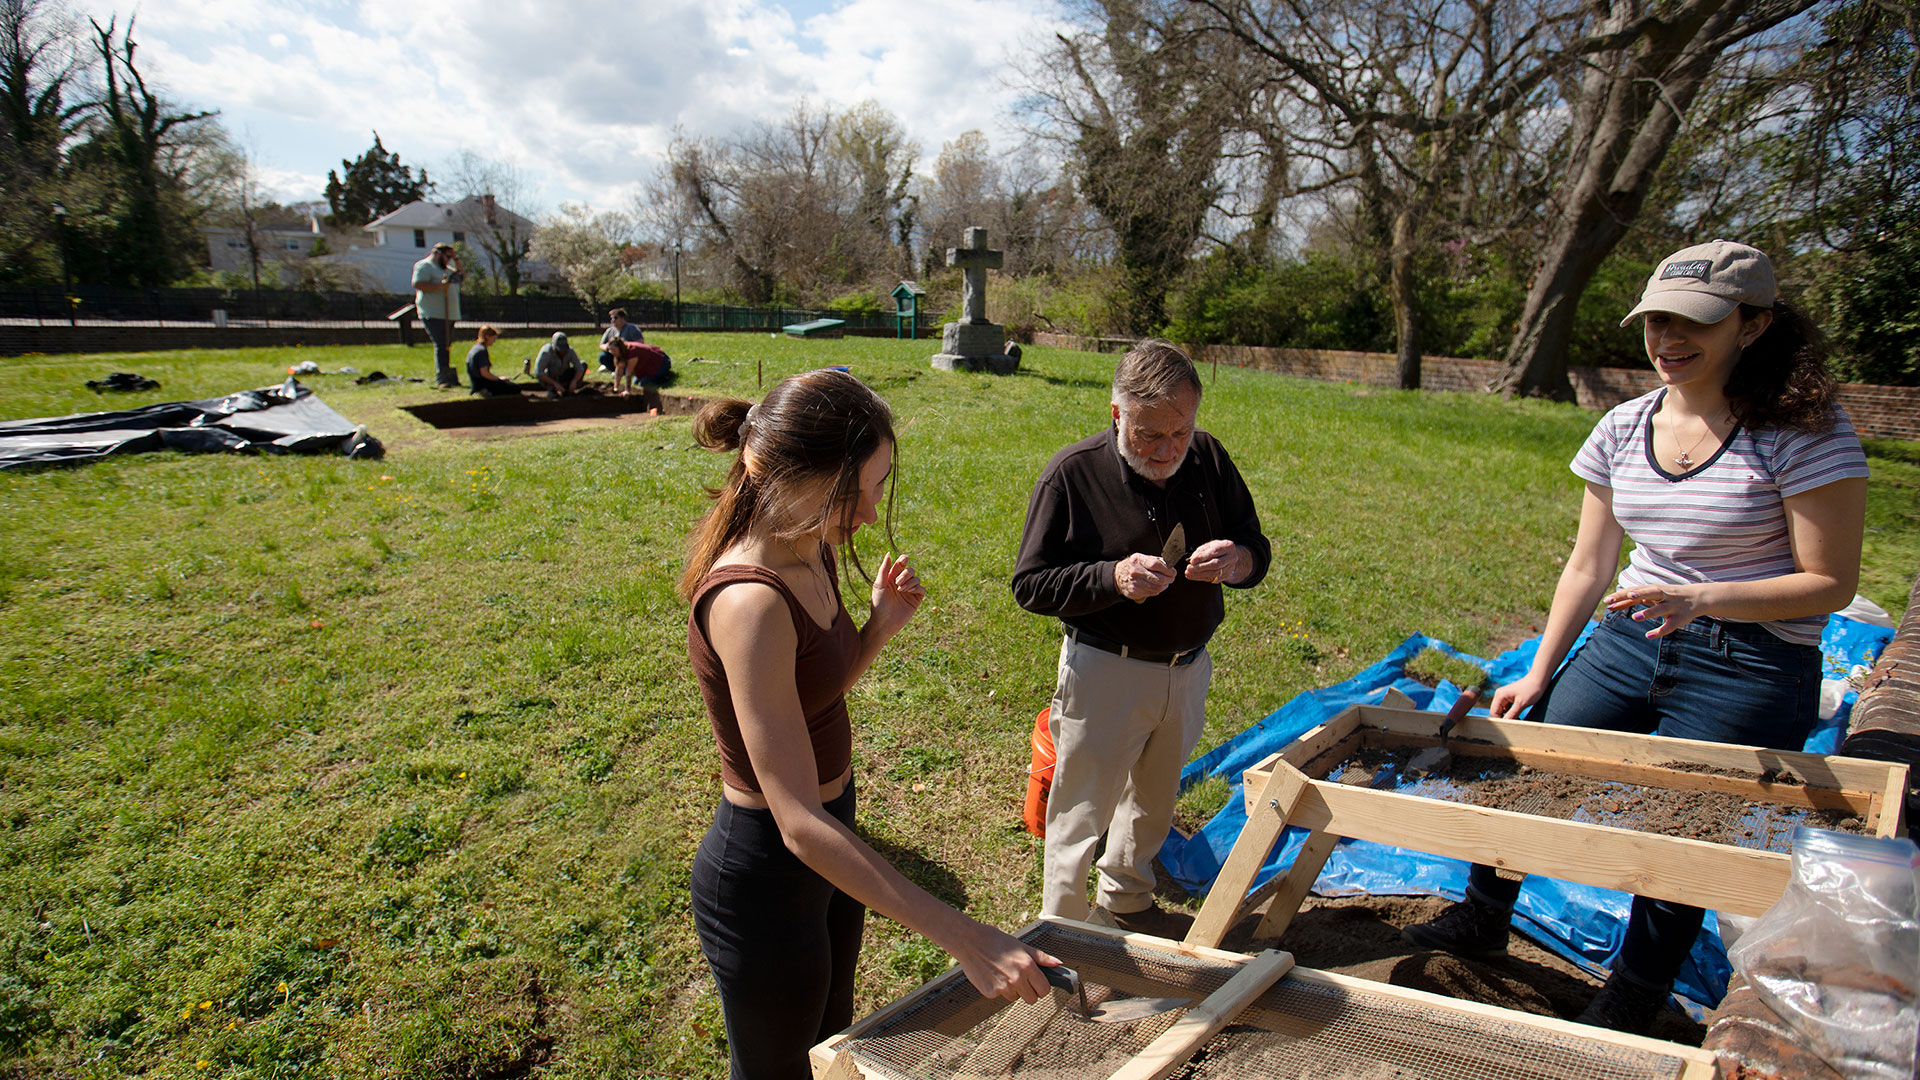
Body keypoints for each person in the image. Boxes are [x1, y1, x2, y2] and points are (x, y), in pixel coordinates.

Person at [1402, 239, 1869, 1034]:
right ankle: (1484, 914)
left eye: (1694, 323)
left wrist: (1706, 599)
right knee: (1534, 765)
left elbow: (1833, 583)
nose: (1666, 340)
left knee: (1689, 818)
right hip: (1629, 642)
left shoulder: (1803, 432)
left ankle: (1640, 988)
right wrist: (1541, 671)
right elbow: (1590, 564)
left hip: (1750, 661)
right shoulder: (1625, 426)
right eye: (1655, 320)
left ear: (1752, 326)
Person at [683, 369, 1058, 1079]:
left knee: (831, 1045)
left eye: (878, 484)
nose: (867, 510)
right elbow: (795, 821)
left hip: (831, 842)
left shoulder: (810, 539)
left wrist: (877, 628)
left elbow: (815, 694)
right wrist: (964, 937)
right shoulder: (748, 603)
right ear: (782, 471)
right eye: (854, 490)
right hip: (769, 869)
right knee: (778, 1070)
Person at [1011, 339, 1271, 936]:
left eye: (1181, 432)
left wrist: (1237, 561)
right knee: (1082, 807)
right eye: (1150, 434)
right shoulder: (1072, 476)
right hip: (1106, 670)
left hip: (1187, 665)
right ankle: (1065, 930)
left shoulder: (1207, 458)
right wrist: (1112, 578)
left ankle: (1126, 897)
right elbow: (1030, 585)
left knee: (1153, 800)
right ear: (1116, 414)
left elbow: (1255, 546)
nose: (1168, 449)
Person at [412, 242, 463, 388]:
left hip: (449, 313)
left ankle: (447, 373)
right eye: (448, 256)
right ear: (438, 253)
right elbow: (418, 284)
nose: (449, 259)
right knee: (441, 344)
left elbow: (461, 276)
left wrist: (457, 259)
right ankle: (443, 377)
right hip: (433, 313)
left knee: (446, 344)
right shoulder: (424, 266)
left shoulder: (447, 269)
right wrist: (440, 286)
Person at [607, 335, 672, 397]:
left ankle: (664, 377)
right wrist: (616, 388)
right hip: (645, 366)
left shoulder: (632, 352)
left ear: (620, 348)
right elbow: (619, 370)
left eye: (613, 350)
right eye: (610, 350)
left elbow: (628, 373)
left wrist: (627, 391)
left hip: (660, 363)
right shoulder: (620, 354)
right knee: (635, 383)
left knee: (643, 383)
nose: (612, 352)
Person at [464, 326, 520, 397]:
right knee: (515, 388)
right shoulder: (482, 351)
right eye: (494, 338)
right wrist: (499, 379)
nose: (494, 341)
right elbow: (484, 373)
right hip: (482, 385)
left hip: (475, 384)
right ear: (487, 337)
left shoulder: (475, 348)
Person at [531, 332, 586, 396]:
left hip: (563, 375)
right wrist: (554, 383)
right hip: (550, 377)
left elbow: (579, 368)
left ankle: (567, 388)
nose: (562, 352)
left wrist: (574, 381)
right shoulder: (546, 352)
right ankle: (551, 390)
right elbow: (539, 372)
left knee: (583, 364)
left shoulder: (570, 351)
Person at [598, 307, 644, 372]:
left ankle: (625, 370)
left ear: (623, 318)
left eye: (615, 318)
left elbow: (640, 343)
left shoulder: (632, 328)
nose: (612, 320)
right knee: (602, 356)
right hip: (614, 354)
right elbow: (601, 345)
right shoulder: (610, 330)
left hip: (628, 355)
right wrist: (608, 347)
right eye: (611, 318)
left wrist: (623, 346)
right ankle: (614, 370)